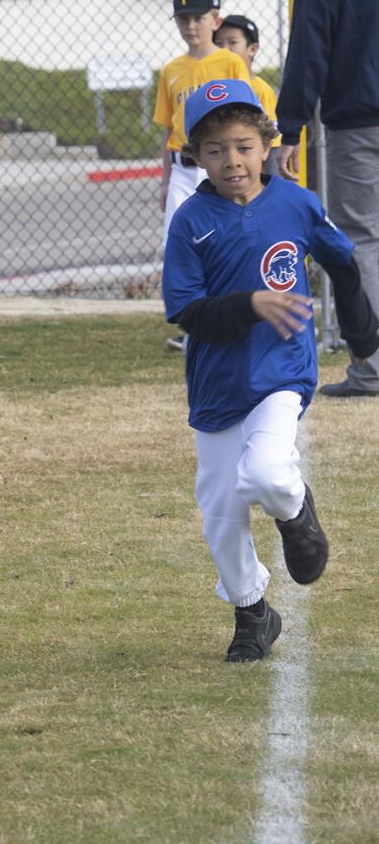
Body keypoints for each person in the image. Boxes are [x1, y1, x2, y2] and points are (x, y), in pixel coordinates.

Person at [163, 80, 378, 662]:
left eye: (242, 145)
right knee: (220, 514)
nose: (231, 160)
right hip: (216, 385)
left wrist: (362, 336)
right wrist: (249, 303)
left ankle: (296, 510)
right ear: (196, 157)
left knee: (264, 474)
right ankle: (253, 612)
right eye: (214, 150)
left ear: (266, 145)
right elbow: (185, 310)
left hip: (281, 372)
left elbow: (343, 262)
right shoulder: (190, 221)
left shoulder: (296, 203)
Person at [276, 0, 379, 398]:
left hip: (357, 123)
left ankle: (372, 367)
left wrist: (290, 125)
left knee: (361, 239)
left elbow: (309, 48)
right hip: (355, 121)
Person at [154, 0, 250, 247]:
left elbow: (245, 122)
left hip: (221, 165)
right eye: (184, 19)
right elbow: (168, 129)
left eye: (199, 18)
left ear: (216, 20)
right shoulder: (171, 70)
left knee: (225, 243)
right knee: (178, 245)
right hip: (182, 171)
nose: (191, 26)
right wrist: (166, 182)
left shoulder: (230, 63)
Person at [214, 14, 279, 145]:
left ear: (252, 49)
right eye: (219, 43)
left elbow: (272, 142)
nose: (224, 49)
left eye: (232, 42)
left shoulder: (260, 90)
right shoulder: (213, 89)